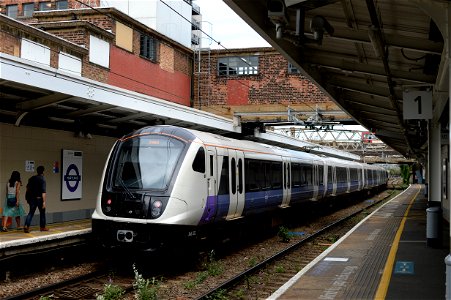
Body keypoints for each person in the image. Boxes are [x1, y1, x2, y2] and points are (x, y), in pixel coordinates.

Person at [24, 166, 48, 233]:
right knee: (42, 213)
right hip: (39, 199)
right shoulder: (42, 179)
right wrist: (44, 202)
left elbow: (27, 188)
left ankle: (26, 226)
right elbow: (43, 192)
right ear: (43, 172)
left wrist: (27, 197)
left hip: (32, 199)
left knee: (31, 213)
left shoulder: (32, 178)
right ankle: (42, 227)